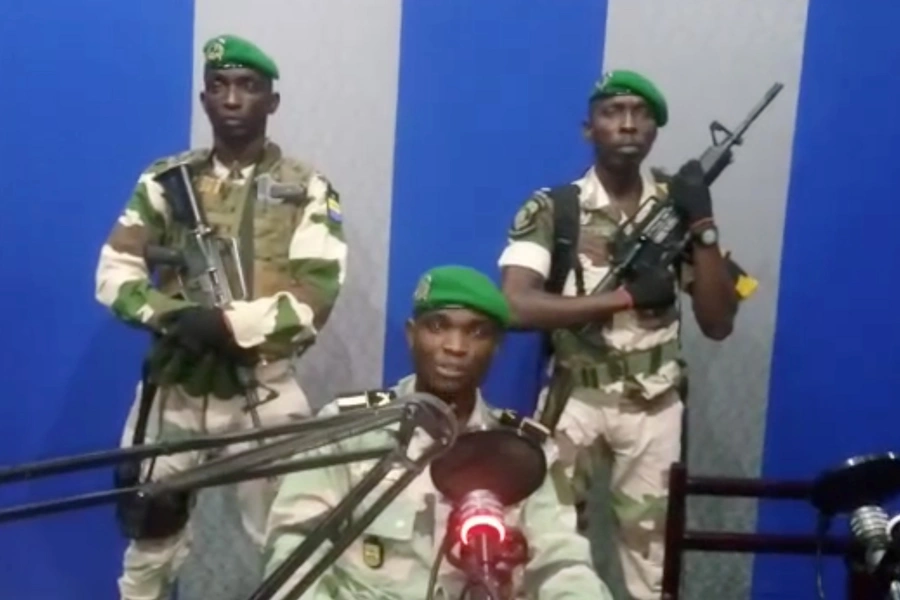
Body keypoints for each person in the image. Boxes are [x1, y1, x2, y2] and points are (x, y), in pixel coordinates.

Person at [94, 34, 348, 600]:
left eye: (248, 87)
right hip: (176, 388)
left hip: (262, 385)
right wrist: (172, 316)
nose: (233, 98)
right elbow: (114, 274)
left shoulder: (306, 188)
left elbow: (315, 297)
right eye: (220, 86)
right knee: (150, 526)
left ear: (271, 102)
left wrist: (230, 326)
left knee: (294, 536)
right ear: (205, 100)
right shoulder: (166, 182)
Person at [497, 70, 751, 599]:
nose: (628, 123)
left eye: (640, 113)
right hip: (575, 400)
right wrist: (626, 299)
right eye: (612, 112)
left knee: (655, 565)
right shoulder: (555, 208)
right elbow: (513, 304)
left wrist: (702, 224)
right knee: (550, 550)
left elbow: (718, 321)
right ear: (588, 128)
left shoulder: (675, 206)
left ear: (655, 129)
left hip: (654, 404)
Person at [262, 265, 613, 599]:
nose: (455, 347)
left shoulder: (521, 451)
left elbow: (563, 562)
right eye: (438, 327)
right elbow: (294, 545)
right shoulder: (350, 429)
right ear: (412, 335)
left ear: (497, 346)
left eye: (476, 332)